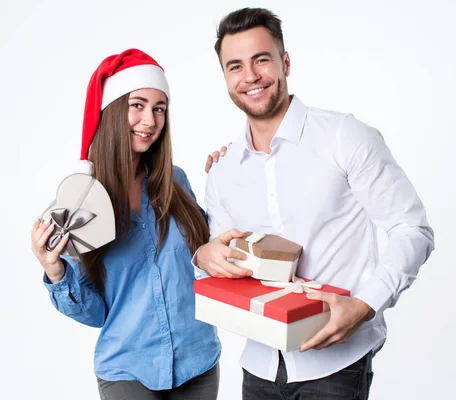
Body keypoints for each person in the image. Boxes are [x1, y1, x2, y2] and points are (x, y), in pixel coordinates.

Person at [195, 8, 435, 400]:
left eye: (261, 60)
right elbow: (227, 267)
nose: (250, 76)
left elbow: (413, 229)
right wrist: (204, 256)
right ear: (225, 79)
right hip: (258, 367)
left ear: (285, 62)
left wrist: (364, 305)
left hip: (338, 363)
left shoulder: (345, 136)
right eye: (235, 66)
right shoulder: (223, 171)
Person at [31, 49, 221, 400]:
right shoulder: (78, 205)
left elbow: (212, 260)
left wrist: (229, 179)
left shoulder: (176, 182)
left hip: (199, 361)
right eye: (137, 105)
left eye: (159, 108)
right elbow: (97, 313)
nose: (150, 120)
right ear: (114, 111)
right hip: (128, 369)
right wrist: (56, 272)